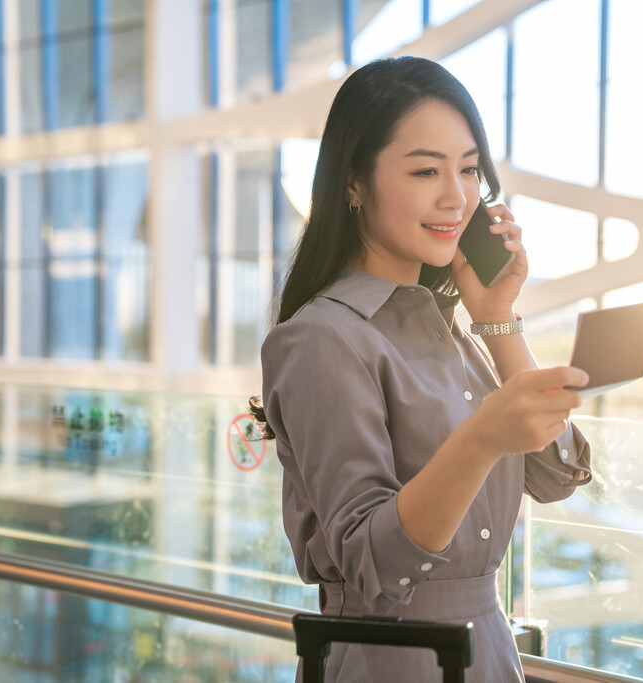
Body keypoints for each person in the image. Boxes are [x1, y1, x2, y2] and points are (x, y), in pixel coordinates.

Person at [252, 56, 592, 682]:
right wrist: (483, 436)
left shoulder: (451, 330)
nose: (456, 196)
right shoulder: (320, 339)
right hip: (389, 662)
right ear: (354, 182)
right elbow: (374, 565)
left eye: (468, 170)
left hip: (485, 649)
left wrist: (496, 316)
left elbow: (557, 472)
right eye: (426, 170)